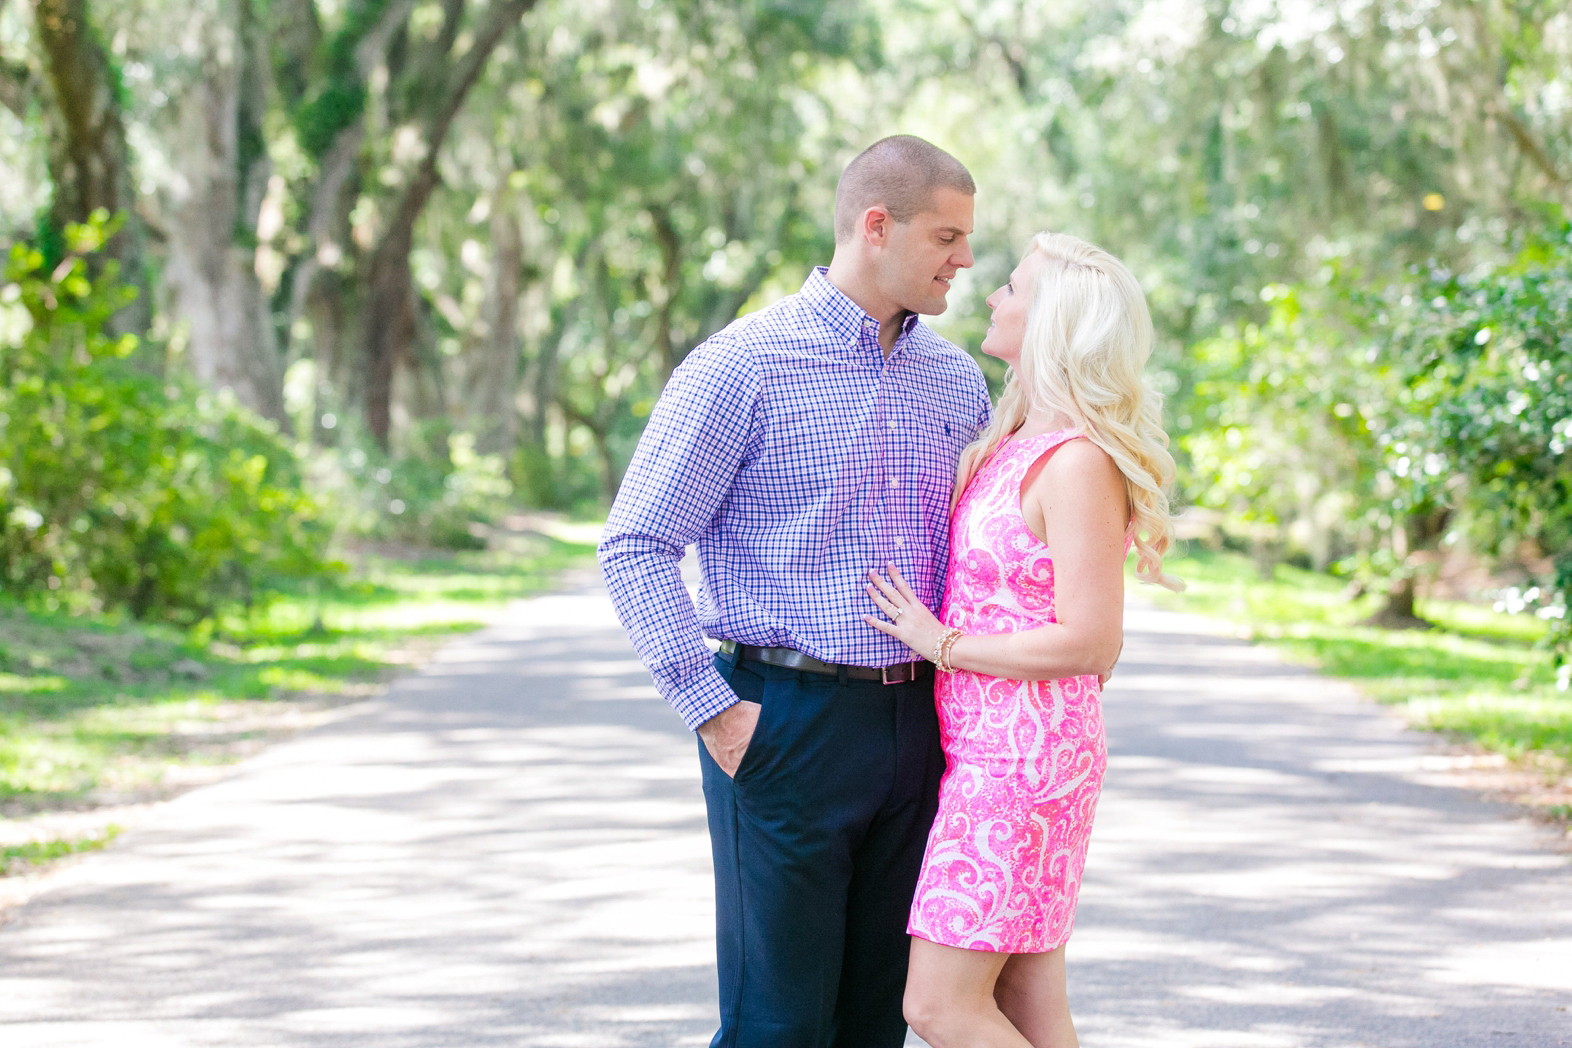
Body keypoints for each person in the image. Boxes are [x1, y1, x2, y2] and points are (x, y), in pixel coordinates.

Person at [597, 135, 991, 1048]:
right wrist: (718, 716)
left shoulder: (958, 380)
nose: (965, 260)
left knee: (873, 1023)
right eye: (947, 237)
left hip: (919, 728)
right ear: (876, 226)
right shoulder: (743, 365)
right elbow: (637, 545)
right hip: (784, 723)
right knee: (778, 1027)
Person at [863, 232, 1183, 1048]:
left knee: (938, 1007)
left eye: (1012, 288)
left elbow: (1089, 640)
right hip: (995, 755)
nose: (993, 295)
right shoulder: (1017, 444)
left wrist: (943, 643)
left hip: (1021, 768)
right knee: (1030, 1001)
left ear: (1052, 323)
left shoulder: (1075, 462)